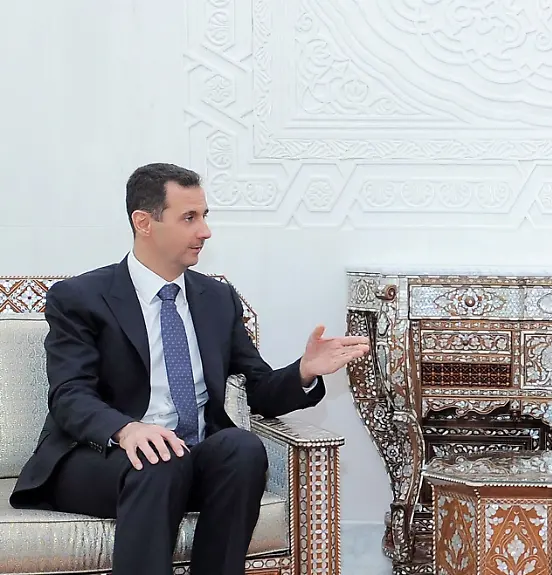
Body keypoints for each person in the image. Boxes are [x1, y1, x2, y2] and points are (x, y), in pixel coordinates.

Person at [9, 163, 370, 575]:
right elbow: (70, 395)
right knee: (158, 460)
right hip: (102, 459)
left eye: (204, 216)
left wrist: (304, 371)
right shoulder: (81, 297)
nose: (205, 231)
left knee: (242, 448)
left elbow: (259, 389)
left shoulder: (217, 298)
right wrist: (128, 430)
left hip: (189, 455)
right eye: (189, 218)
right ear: (144, 223)